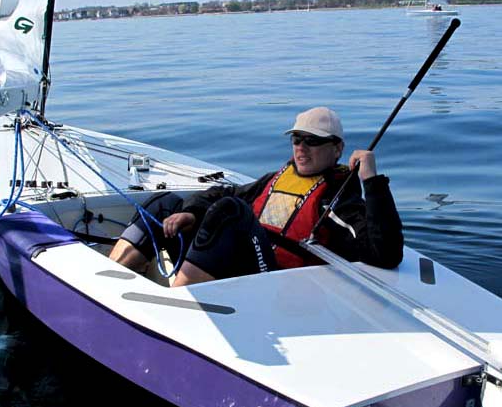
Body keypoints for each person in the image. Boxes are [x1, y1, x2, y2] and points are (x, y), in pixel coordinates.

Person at [109, 107, 404, 286]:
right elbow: (220, 192)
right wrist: (191, 214)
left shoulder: (337, 199)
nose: (301, 148)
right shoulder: (277, 178)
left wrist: (372, 181)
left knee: (231, 210)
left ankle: (182, 302)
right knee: (165, 204)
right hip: (240, 265)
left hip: (270, 282)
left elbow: (386, 253)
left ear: (337, 148)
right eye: (297, 140)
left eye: (313, 142)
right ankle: (112, 279)